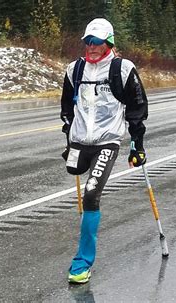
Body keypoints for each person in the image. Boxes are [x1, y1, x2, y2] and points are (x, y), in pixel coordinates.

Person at [60, 18, 148, 284]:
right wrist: (69, 138)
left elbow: (137, 109)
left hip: (107, 141)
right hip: (79, 142)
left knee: (90, 194)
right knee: (74, 170)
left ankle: (82, 263)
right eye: (88, 41)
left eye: (97, 41)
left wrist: (137, 145)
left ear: (108, 42)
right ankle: (86, 233)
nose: (91, 46)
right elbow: (66, 108)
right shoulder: (74, 70)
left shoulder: (122, 70)